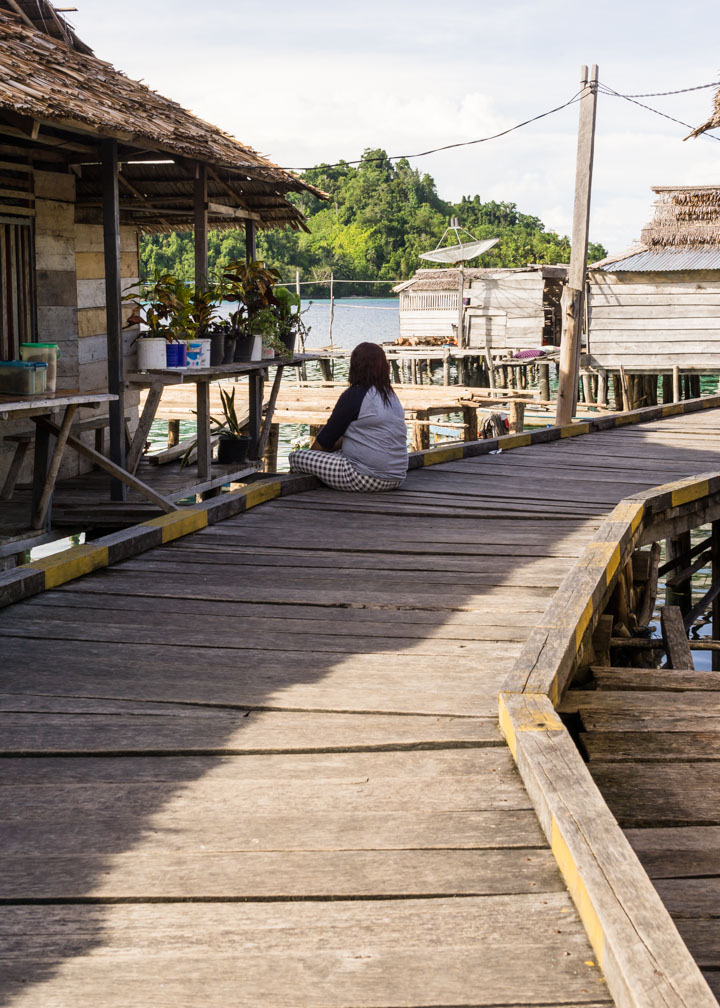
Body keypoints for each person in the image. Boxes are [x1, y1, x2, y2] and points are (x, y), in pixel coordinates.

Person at [289, 342, 407, 492]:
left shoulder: (354, 395)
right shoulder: (390, 395)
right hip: (397, 476)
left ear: (355, 366)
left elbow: (326, 439)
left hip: (366, 478)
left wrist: (311, 456)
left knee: (297, 457)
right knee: (338, 452)